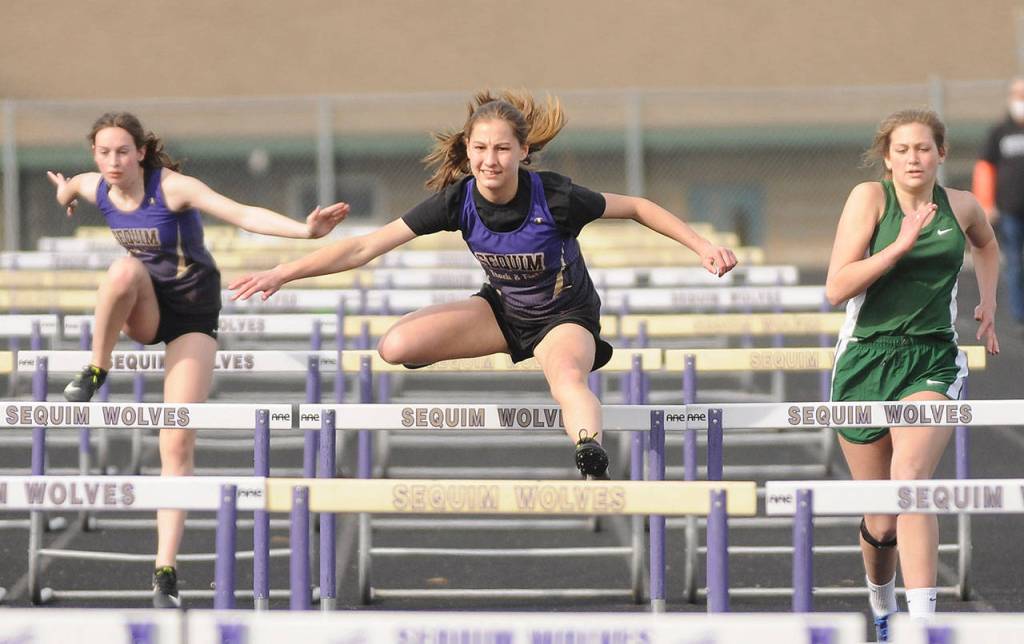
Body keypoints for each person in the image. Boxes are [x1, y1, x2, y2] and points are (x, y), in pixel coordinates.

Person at [230, 89, 737, 480]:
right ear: (467, 150)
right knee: (394, 346)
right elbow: (364, 247)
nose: (489, 160)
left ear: (522, 152)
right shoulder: (458, 200)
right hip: (502, 312)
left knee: (566, 379)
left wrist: (701, 247)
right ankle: (469, 351)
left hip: (564, 318)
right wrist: (283, 272)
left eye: (501, 149)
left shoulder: (555, 197)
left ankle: (589, 451)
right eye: (480, 149)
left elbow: (638, 207)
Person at [47, 111, 349, 608]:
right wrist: (64, 195)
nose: (113, 161)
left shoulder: (172, 188)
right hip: (145, 310)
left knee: (177, 440)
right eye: (104, 153)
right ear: (95, 156)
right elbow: (70, 189)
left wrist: (305, 231)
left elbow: (242, 213)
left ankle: (164, 570)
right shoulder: (94, 184)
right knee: (123, 270)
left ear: (141, 152)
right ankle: (97, 367)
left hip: (191, 314)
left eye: (122, 151)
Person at [826, 109, 1000, 641]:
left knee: (911, 482)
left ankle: (923, 626)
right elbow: (836, 288)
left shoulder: (961, 205)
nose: (913, 159)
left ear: (941, 153)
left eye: (923, 148)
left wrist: (988, 300)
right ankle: (882, 608)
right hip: (864, 359)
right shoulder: (869, 200)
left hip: (931, 359)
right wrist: (899, 245)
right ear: (887, 157)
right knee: (881, 519)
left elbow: (987, 245)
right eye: (902, 150)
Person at [973, 77, 1024, 325]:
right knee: (1014, 262)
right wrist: (985, 202)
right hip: (1010, 210)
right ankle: (1019, 314)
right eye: (1018, 95)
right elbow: (985, 168)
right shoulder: (1000, 132)